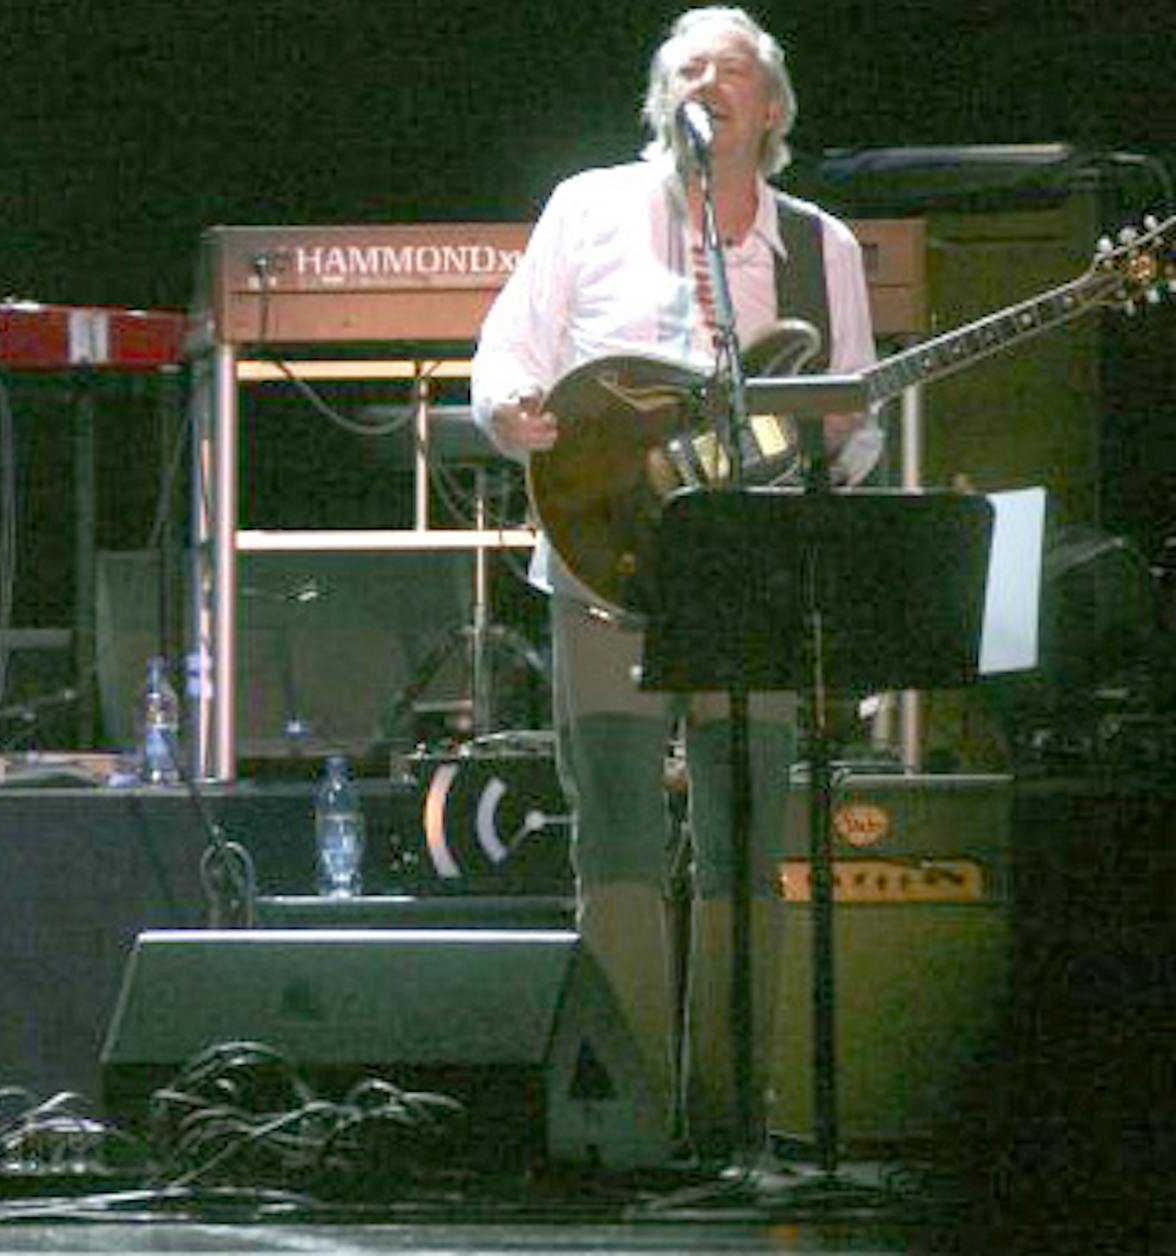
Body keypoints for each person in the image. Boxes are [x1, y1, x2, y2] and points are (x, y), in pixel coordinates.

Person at [470, 8, 883, 1161]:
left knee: (745, 834)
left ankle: (733, 1120)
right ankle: (627, 1117)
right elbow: (505, 351)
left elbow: (852, 439)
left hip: (744, 571)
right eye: (687, 69)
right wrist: (508, 410)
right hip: (602, 558)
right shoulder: (589, 205)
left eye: (732, 70)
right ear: (665, 100)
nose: (708, 83)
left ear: (773, 110)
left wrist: (844, 436)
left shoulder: (822, 249)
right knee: (616, 830)